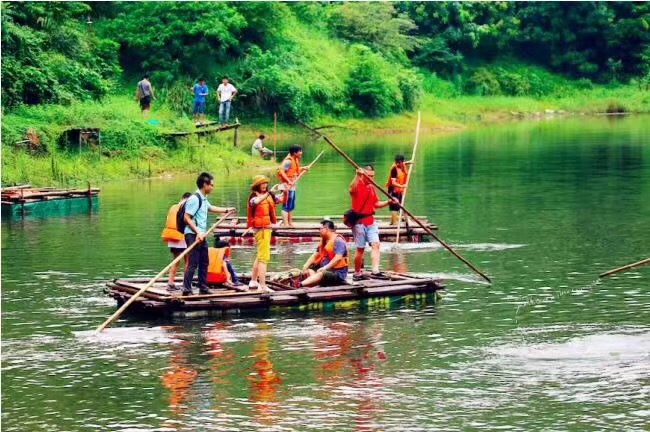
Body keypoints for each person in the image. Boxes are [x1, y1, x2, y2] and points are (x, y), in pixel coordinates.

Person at [182, 172, 236, 296]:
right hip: (193, 234)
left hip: (202, 235)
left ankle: (203, 286)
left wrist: (227, 210)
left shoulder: (203, 198)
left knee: (204, 261)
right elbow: (187, 218)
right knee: (193, 262)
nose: (212, 187)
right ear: (205, 185)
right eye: (211, 185)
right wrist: (197, 233)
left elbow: (210, 208)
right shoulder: (195, 199)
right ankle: (186, 288)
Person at [349, 165, 396, 281]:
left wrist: (388, 202)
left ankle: (375, 271)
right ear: (363, 175)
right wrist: (357, 175)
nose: (371, 178)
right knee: (360, 249)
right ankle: (357, 272)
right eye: (369, 176)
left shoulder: (371, 187)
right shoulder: (357, 184)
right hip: (359, 223)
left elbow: (376, 204)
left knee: (376, 245)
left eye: (373, 176)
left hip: (371, 222)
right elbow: (351, 190)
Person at [247, 175, 283, 292]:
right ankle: (262, 285)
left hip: (267, 228)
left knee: (260, 255)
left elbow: (280, 200)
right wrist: (269, 193)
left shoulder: (269, 195)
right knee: (264, 258)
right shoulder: (253, 197)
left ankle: (253, 280)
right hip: (260, 230)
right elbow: (257, 201)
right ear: (257, 185)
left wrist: (286, 190)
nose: (264, 186)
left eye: (265, 183)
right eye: (262, 184)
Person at [298, 219, 349, 288]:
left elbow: (338, 258)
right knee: (308, 270)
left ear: (326, 229)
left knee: (321, 274)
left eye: (320, 229)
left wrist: (325, 268)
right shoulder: (324, 240)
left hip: (338, 273)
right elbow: (316, 254)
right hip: (325, 269)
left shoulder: (338, 241)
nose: (319, 231)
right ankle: (315, 282)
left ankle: (299, 285)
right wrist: (306, 265)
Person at [161, 192, 191, 292]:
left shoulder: (173, 207)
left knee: (176, 261)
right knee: (188, 260)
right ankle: (186, 283)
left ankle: (170, 282)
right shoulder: (186, 207)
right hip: (181, 236)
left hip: (171, 236)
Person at [277, 145, 309, 227]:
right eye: (300, 151)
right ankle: (286, 224)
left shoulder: (295, 160)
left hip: (292, 186)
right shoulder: (288, 161)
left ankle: (290, 222)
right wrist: (288, 181)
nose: (301, 152)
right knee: (286, 205)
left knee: (291, 205)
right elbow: (281, 171)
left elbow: (293, 170)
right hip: (286, 186)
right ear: (295, 153)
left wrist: (303, 168)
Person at [385, 154, 413, 225]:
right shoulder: (394, 169)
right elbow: (393, 183)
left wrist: (409, 162)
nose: (398, 164)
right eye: (397, 162)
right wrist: (402, 186)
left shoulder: (402, 165)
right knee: (394, 207)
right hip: (393, 190)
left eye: (400, 162)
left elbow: (404, 163)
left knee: (398, 206)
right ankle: (394, 223)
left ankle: (392, 222)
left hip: (398, 190)